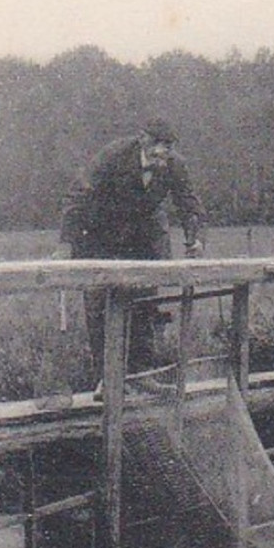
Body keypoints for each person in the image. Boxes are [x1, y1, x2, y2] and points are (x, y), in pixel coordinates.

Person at [56, 119, 206, 384]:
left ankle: (140, 374)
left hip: (144, 238)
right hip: (101, 233)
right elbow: (78, 195)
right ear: (142, 139)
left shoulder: (174, 165)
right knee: (99, 305)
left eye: (168, 146)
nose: (163, 152)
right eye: (158, 145)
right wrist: (66, 244)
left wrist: (195, 239)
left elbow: (189, 204)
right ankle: (107, 378)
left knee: (145, 304)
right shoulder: (113, 155)